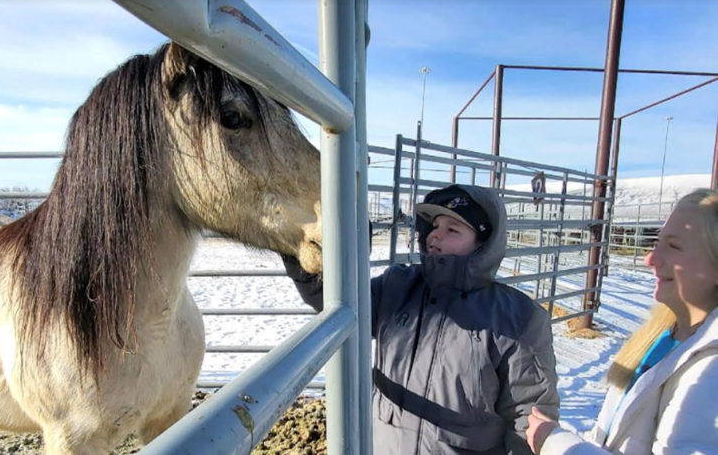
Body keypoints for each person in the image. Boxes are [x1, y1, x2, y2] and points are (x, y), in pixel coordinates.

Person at [283, 184, 559, 454]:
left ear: (483, 244)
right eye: (435, 227)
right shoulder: (398, 287)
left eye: (452, 230)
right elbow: (335, 301)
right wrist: (303, 252)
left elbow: (528, 421)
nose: (435, 236)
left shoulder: (517, 319)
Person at [526, 188, 718, 454]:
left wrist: (557, 444)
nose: (650, 259)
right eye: (657, 242)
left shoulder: (711, 371)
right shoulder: (665, 333)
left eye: (674, 246)